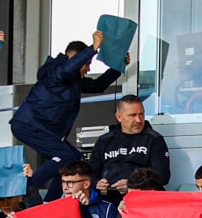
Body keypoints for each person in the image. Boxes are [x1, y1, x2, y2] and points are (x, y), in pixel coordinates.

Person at [11, 29, 125, 196]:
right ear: (75, 60)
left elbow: (97, 85)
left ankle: (52, 201)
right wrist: (92, 48)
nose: (88, 67)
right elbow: (65, 70)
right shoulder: (54, 72)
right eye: (87, 63)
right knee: (64, 155)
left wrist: (118, 65)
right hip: (29, 125)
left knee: (73, 159)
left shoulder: (72, 81)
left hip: (42, 129)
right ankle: (26, 190)